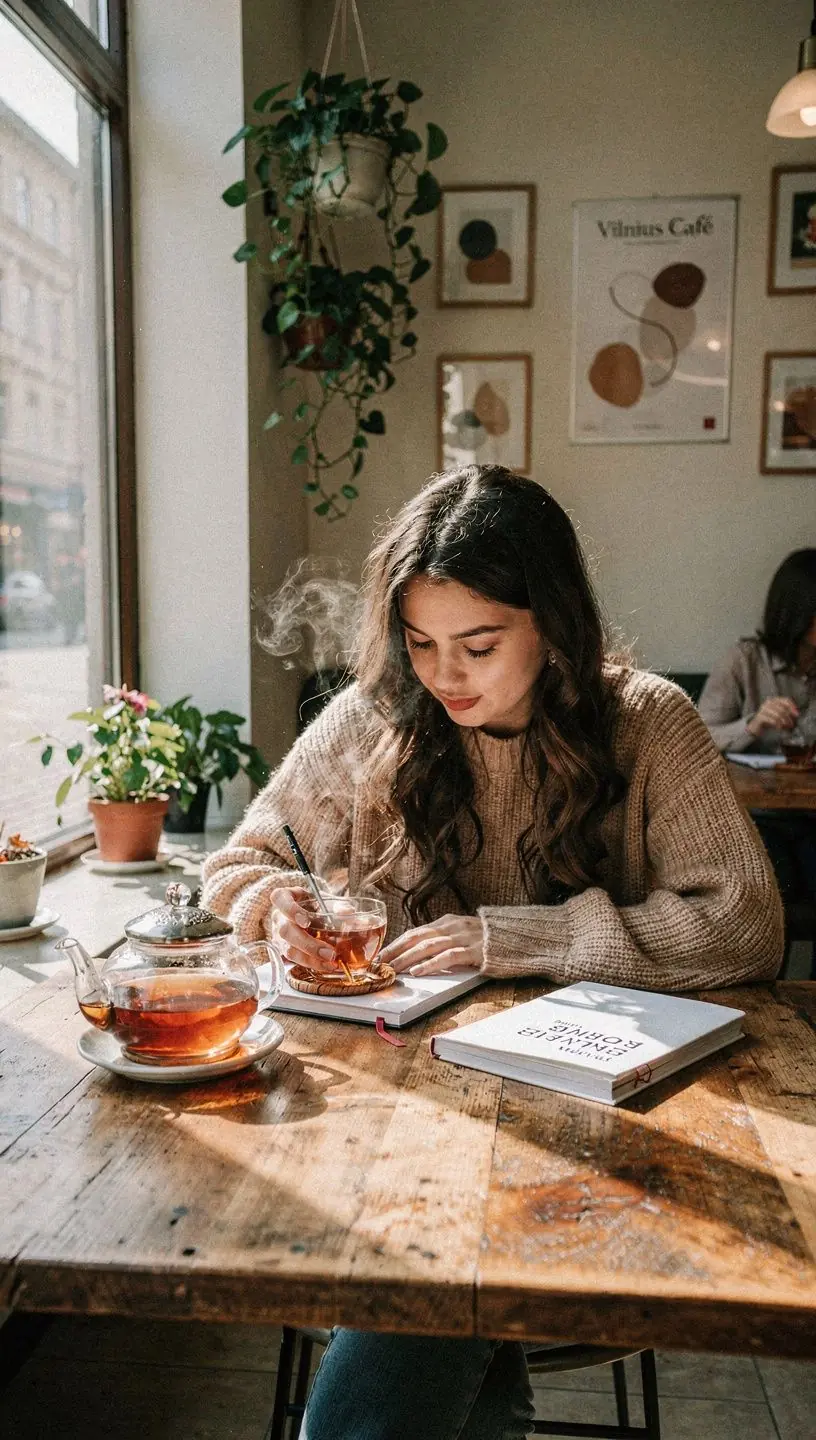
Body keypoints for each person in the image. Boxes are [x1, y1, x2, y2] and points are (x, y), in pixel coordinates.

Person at [202, 465, 782, 1440]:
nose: (445, 675)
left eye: (479, 644)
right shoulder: (373, 718)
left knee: (426, 1278)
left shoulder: (648, 725)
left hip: (596, 1133)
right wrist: (278, 902)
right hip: (398, 1115)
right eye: (421, 643)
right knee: (436, 1282)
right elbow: (242, 860)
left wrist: (523, 939)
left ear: (551, 622)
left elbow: (744, 926)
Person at [699, 549, 816, 911]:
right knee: (769, 884)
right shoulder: (744, 661)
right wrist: (752, 724)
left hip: (811, 814)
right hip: (756, 818)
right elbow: (698, 737)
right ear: (798, 611)